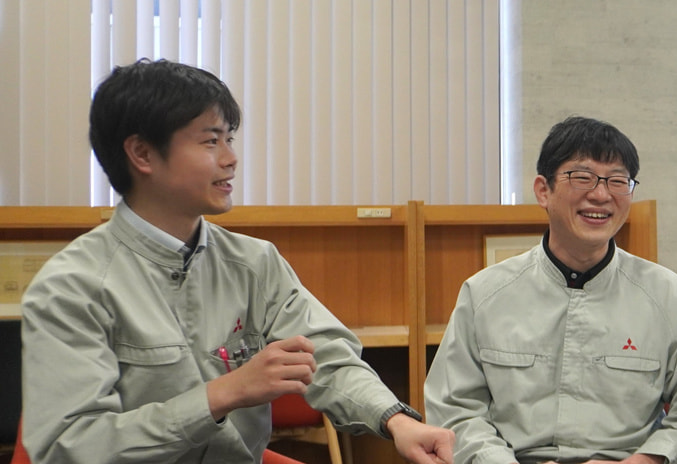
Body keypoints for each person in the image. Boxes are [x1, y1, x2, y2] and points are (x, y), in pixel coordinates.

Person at [20, 59, 455, 464]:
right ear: (143, 154)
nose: (231, 158)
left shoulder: (253, 262)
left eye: (229, 138)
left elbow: (326, 357)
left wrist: (395, 420)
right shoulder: (72, 286)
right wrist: (221, 395)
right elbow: (67, 447)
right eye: (211, 141)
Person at [424, 116, 677, 464]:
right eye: (582, 177)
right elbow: (455, 410)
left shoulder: (667, 295)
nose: (600, 195)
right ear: (544, 190)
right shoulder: (484, 293)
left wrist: (645, 461)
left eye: (617, 181)